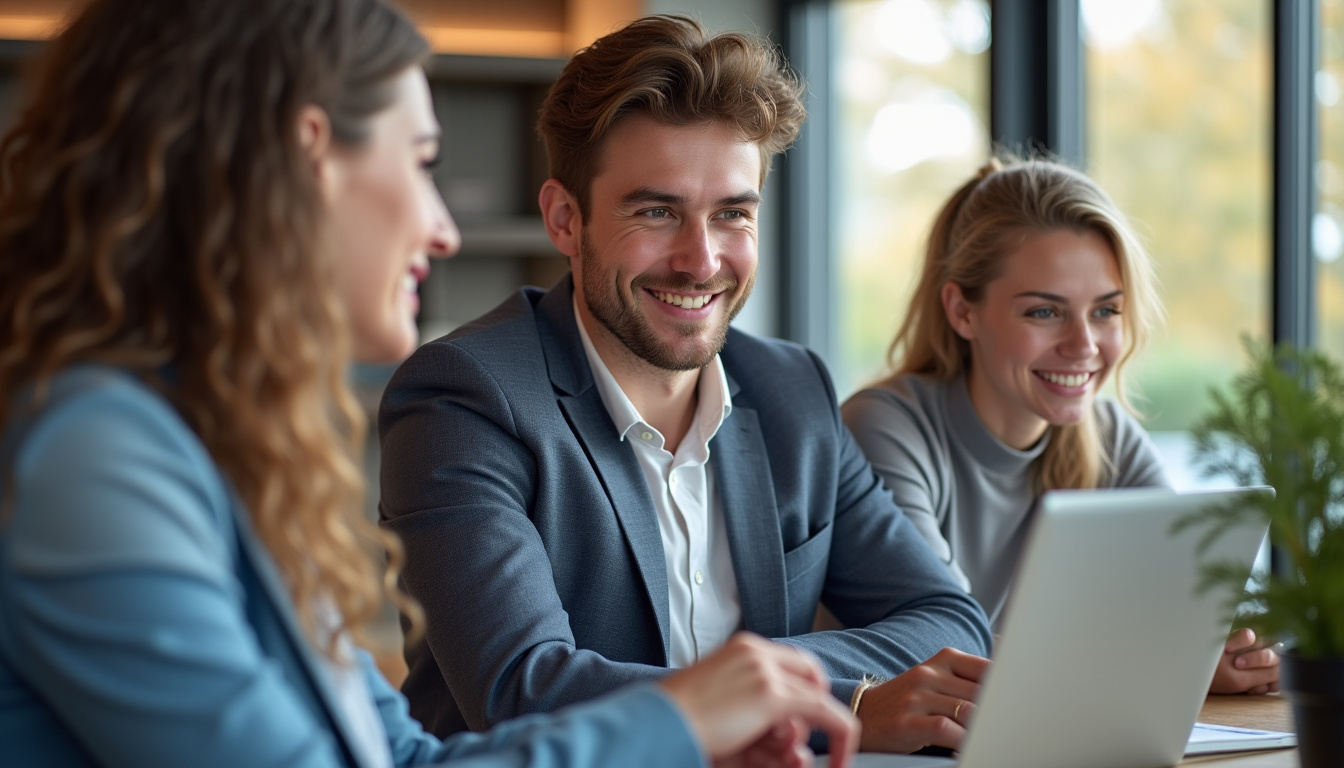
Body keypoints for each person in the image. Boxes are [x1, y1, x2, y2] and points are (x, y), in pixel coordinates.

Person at [0, 1, 863, 766]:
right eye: (420, 162)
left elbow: (401, 757)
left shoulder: (214, 450)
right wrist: (683, 718)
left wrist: (704, 721)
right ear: (309, 160)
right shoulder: (92, 459)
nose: (443, 228)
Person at [379, 14, 993, 756]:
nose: (701, 261)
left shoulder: (791, 390)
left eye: (732, 214)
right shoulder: (463, 398)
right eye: (657, 212)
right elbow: (523, 690)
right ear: (565, 220)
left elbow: (950, 622)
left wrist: (774, 692)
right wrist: (841, 699)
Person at [840, 156, 1280, 696]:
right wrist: (1164, 659)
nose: (1084, 346)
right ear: (962, 311)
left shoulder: (1109, 437)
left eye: (1105, 311)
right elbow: (946, 643)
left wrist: (1227, 649)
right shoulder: (885, 427)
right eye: (1044, 312)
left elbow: (1187, 613)